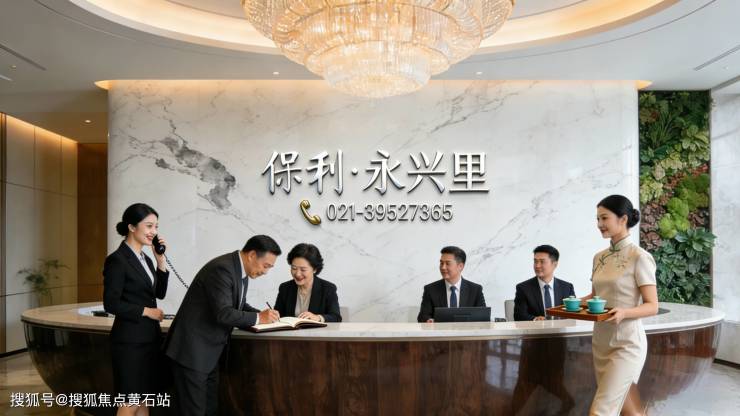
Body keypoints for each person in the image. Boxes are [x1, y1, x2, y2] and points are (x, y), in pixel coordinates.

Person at [164, 235, 282, 416]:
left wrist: (264, 316)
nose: (265, 272)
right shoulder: (222, 269)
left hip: (208, 355)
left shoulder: (241, 271)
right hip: (192, 353)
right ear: (252, 255)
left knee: (210, 410)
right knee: (194, 412)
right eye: (266, 266)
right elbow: (224, 313)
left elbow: (238, 305)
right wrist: (259, 317)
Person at [582, 195, 658, 416]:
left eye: (604, 218)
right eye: (597, 219)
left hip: (627, 345)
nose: (599, 224)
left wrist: (625, 312)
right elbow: (595, 296)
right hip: (601, 343)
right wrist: (570, 304)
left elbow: (652, 305)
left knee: (601, 411)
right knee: (629, 410)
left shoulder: (640, 257)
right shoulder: (599, 258)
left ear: (623, 219)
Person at [103, 203, 170, 416]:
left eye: (156, 227)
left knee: (144, 400)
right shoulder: (117, 260)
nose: (154, 232)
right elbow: (111, 303)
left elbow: (159, 293)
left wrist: (160, 261)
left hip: (149, 339)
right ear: (132, 227)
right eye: (149, 226)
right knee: (130, 401)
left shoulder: (146, 259)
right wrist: (147, 311)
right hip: (129, 342)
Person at [274, 243, 342, 322]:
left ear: (314, 269)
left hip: (317, 330)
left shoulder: (328, 288)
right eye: (294, 268)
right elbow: (278, 316)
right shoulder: (285, 288)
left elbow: (336, 317)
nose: (297, 274)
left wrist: (318, 317)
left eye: (303, 270)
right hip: (290, 330)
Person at [417, 246, 486, 323]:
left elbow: (483, 317)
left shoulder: (475, 290)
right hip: (440, 330)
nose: (443, 267)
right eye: (441, 263)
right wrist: (428, 320)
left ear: (460, 266)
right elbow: (422, 316)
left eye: (447, 263)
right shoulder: (430, 289)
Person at [514, 245, 576, 321]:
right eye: (535, 261)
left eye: (542, 262)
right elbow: (519, 315)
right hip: (536, 328)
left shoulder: (567, 287)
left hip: (562, 328)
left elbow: (574, 313)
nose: (537, 266)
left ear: (555, 264)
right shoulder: (523, 288)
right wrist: (535, 319)